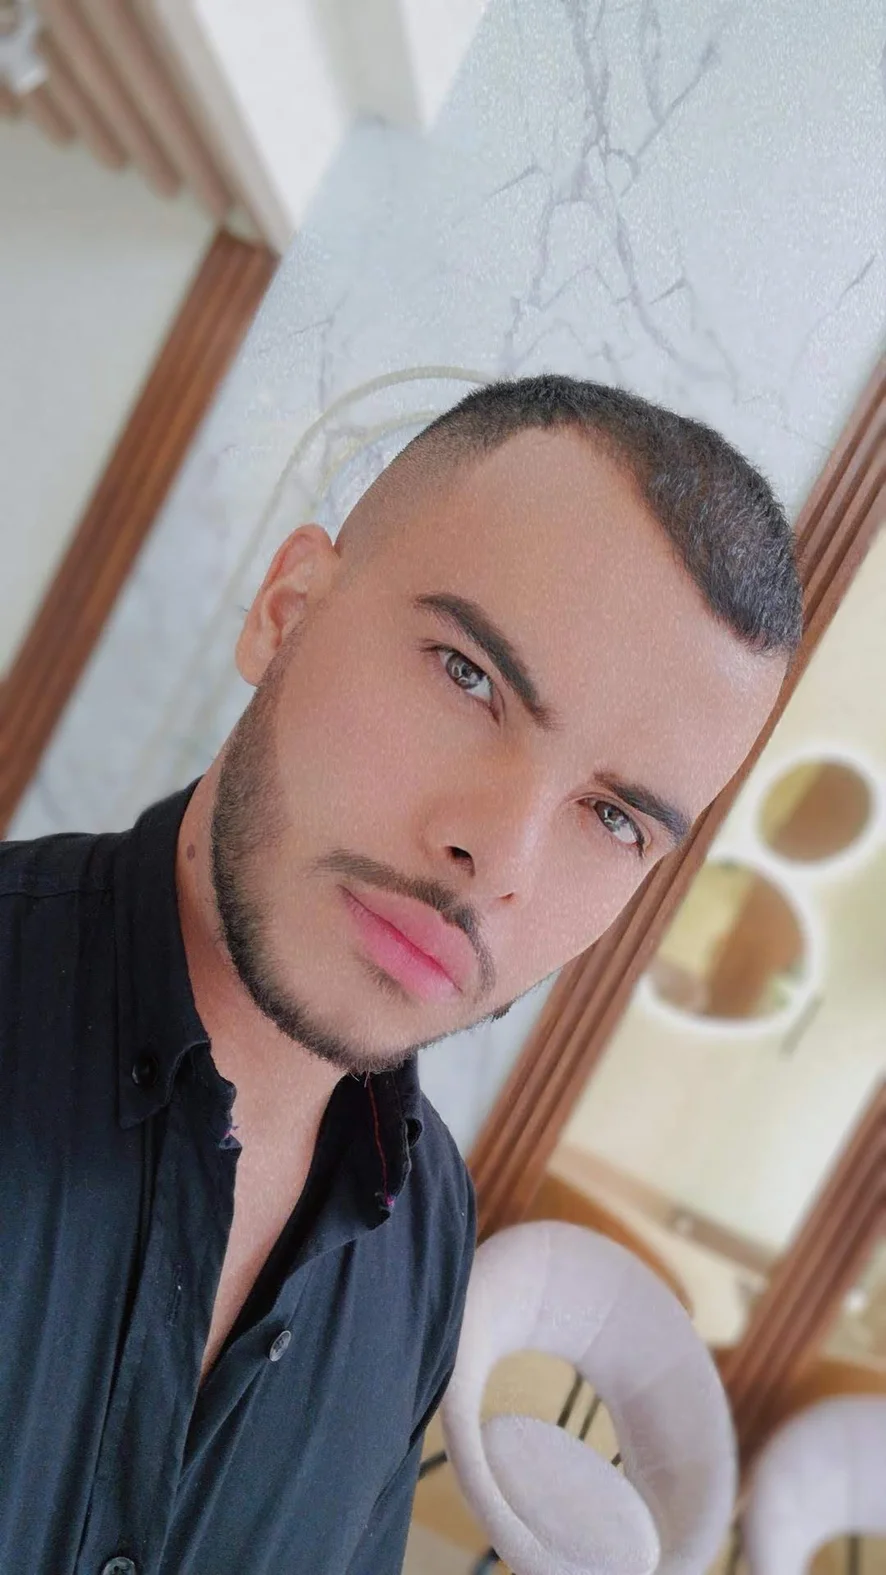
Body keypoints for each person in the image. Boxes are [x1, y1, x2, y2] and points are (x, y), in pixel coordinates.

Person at [0, 375, 802, 1574]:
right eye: (469, 675)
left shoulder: (425, 1241)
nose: (498, 859)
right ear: (286, 611)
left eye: (612, 817)